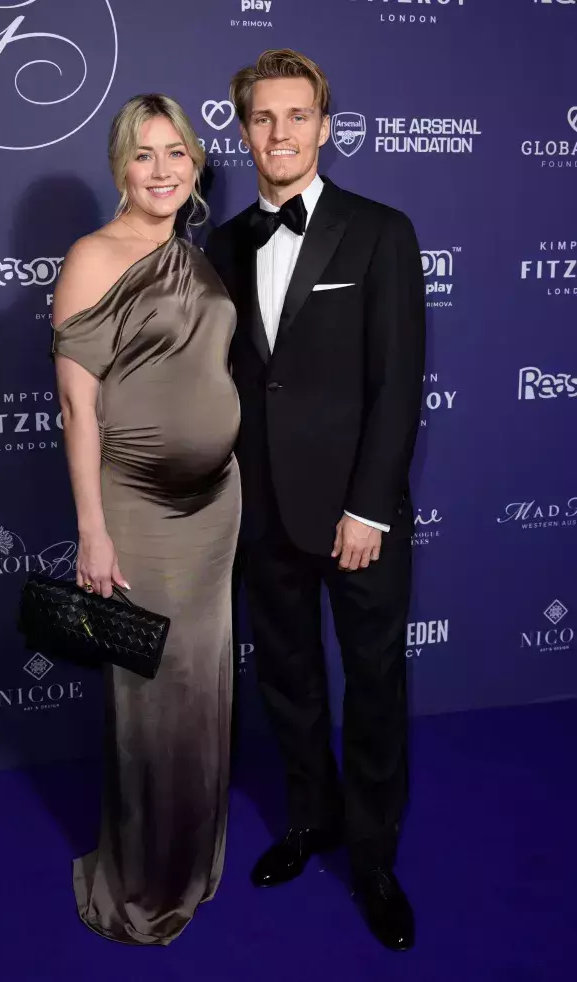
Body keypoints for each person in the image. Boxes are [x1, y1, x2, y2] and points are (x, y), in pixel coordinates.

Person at [205, 49, 425, 951]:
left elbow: (399, 382)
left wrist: (368, 510)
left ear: (325, 127)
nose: (281, 132)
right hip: (262, 512)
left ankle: (373, 858)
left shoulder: (380, 230)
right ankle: (309, 819)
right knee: (289, 680)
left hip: (355, 514)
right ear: (243, 130)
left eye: (298, 116)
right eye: (263, 117)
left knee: (372, 684)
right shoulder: (221, 245)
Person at [52, 94, 240, 945]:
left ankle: (190, 859)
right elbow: (77, 407)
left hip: (216, 502)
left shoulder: (192, 254)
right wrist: (93, 529)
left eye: (177, 153)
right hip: (138, 505)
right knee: (151, 696)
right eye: (143, 154)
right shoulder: (94, 256)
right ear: (119, 166)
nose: (162, 170)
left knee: (201, 691)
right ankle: (144, 879)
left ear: (194, 164)